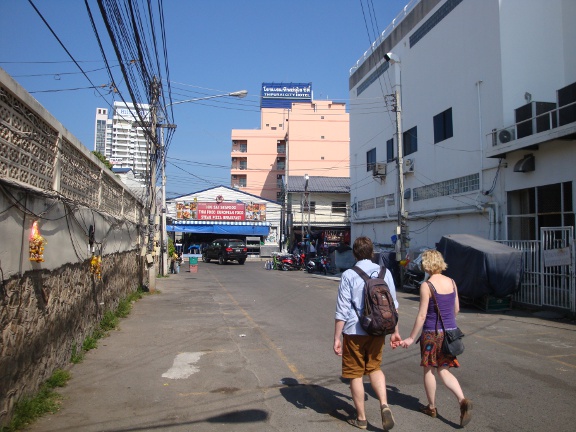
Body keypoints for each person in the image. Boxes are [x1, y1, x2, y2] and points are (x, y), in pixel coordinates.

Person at [333, 236, 401, 430]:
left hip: (354, 330)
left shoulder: (349, 275)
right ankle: (384, 404)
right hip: (379, 329)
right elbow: (393, 306)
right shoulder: (384, 272)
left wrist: (337, 337)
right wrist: (395, 331)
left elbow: (342, 310)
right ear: (372, 253)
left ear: (354, 254)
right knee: (374, 368)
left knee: (355, 374)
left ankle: (361, 418)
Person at [399, 249, 472, 427]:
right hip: (450, 333)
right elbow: (456, 309)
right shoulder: (452, 282)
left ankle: (431, 407)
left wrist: (410, 338)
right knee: (444, 370)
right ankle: (462, 400)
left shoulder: (427, 285)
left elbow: (422, 315)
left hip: (432, 334)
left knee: (429, 369)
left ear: (426, 264)